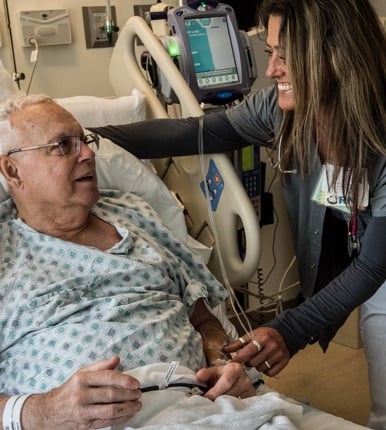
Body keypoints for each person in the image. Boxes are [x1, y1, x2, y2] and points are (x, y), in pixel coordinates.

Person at [89, 0, 386, 428]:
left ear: (332, 55)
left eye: (286, 55)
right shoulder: (283, 115)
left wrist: (289, 329)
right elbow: (199, 132)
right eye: (271, 54)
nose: (273, 70)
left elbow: (376, 263)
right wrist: (85, 135)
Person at [0, 94, 257, 430]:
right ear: (12, 170)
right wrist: (43, 411)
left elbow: (202, 316)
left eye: (86, 141)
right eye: (63, 145)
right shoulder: (6, 252)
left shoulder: (133, 212)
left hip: (203, 405)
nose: (89, 153)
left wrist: (220, 358)